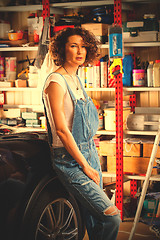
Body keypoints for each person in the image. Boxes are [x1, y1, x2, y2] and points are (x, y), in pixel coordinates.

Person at [42, 26, 121, 240]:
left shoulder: (75, 78)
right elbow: (61, 130)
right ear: (61, 49)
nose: (80, 51)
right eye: (73, 46)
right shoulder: (56, 81)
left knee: (94, 221)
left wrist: (90, 160)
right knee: (112, 217)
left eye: (84, 47)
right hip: (69, 161)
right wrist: (85, 166)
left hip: (89, 153)